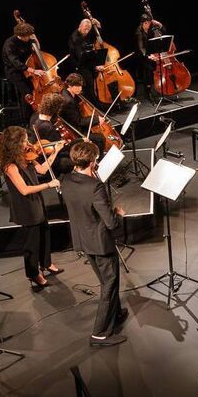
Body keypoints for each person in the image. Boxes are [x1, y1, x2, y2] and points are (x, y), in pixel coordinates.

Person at [61, 141, 128, 347]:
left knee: (106, 280)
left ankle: (114, 314)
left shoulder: (66, 180)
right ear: (92, 162)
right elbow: (110, 222)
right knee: (109, 284)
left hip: (83, 239)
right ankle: (100, 333)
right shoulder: (95, 187)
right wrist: (118, 213)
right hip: (100, 243)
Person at [0, 126, 65, 290]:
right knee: (32, 243)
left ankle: (46, 263)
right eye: (24, 141)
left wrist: (55, 152)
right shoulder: (10, 166)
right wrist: (49, 184)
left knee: (45, 232)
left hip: (36, 201)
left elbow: (42, 169)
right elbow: (24, 190)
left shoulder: (26, 156)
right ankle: (34, 274)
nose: (29, 143)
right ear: (15, 144)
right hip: (26, 206)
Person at [2, 17, 47, 111]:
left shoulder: (28, 39)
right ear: (20, 35)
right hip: (14, 70)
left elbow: (38, 48)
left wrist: (34, 37)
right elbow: (15, 62)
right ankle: (28, 118)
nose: (28, 38)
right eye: (27, 36)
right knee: (28, 92)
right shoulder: (9, 44)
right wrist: (33, 71)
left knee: (35, 88)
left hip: (28, 67)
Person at [57, 74, 107, 152]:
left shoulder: (67, 92)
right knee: (100, 139)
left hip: (75, 123)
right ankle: (96, 160)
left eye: (80, 86)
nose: (80, 89)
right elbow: (78, 121)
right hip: (74, 131)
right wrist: (96, 119)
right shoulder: (68, 101)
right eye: (77, 86)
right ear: (70, 86)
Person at [68, 17, 105, 107]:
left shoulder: (84, 32)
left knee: (92, 82)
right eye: (85, 29)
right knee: (89, 85)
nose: (86, 31)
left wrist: (98, 26)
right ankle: (94, 106)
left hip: (86, 62)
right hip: (79, 65)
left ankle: (97, 101)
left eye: (88, 29)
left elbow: (96, 35)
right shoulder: (76, 38)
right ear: (80, 26)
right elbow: (81, 59)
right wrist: (95, 67)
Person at [134, 13, 165, 103]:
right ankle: (148, 93)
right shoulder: (139, 32)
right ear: (143, 23)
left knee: (156, 67)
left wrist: (160, 25)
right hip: (142, 55)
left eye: (149, 23)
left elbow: (163, 32)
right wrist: (149, 56)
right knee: (149, 69)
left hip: (152, 53)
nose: (148, 25)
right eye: (146, 23)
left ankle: (159, 90)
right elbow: (141, 48)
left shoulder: (151, 27)